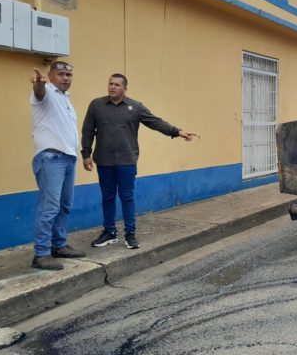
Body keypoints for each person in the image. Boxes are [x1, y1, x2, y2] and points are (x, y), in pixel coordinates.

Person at [81, 74, 198, 249]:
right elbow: (88, 131)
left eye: (117, 85)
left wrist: (176, 131)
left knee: (127, 197)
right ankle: (109, 232)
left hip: (126, 160)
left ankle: (130, 234)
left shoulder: (135, 107)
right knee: (108, 197)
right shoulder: (96, 105)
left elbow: (155, 122)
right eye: (110, 84)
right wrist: (86, 154)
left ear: (125, 89)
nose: (112, 87)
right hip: (104, 160)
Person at [29, 62, 86, 270]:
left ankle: (58, 246)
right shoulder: (46, 94)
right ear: (51, 76)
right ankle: (41, 254)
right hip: (51, 158)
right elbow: (39, 92)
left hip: (69, 159)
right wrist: (39, 84)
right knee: (49, 207)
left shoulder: (66, 100)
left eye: (69, 74)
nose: (66, 78)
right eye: (61, 74)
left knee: (64, 206)